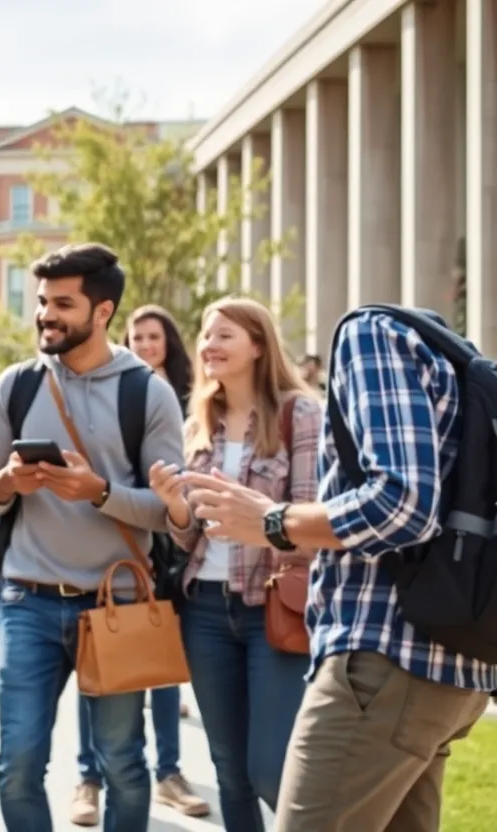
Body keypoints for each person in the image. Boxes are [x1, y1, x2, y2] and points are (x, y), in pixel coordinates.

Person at [181, 306, 497, 830]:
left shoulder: (369, 332)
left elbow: (402, 505)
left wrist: (273, 521)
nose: (210, 342)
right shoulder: (454, 359)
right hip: (452, 670)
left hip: (383, 663)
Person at [0, 243, 185, 832]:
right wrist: (9, 483)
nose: (46, 315)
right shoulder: (17, 385)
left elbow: (171, 514)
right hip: (27, 601)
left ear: (103, 310)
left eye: (63, 303)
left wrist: (98, 491)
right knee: (17, 764)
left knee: (121, 763)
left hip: (118, 603)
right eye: (42, 302)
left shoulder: (148, 394)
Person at [149, 297, 320, 831]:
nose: (208, 345)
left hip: (272, 609)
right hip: (204, 612)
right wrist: (175, 505)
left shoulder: (301, 414)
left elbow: (312, 524)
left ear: (258, 345)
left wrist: (256, 515)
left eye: (224, 335)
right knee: (229, 771)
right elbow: (186, 539)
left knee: (270, 767)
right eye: (204, 334)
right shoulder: (200, 422)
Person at [66, 304, 205, 826]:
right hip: (115, 544)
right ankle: (89, 777)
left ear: (169, 341)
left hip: (171, 550)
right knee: (99, 659)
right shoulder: (112, 392)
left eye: (154, 335)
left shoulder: (193, 402)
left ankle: (168, 772)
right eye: (137, 336)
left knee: (159, 662)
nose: (146, 344)